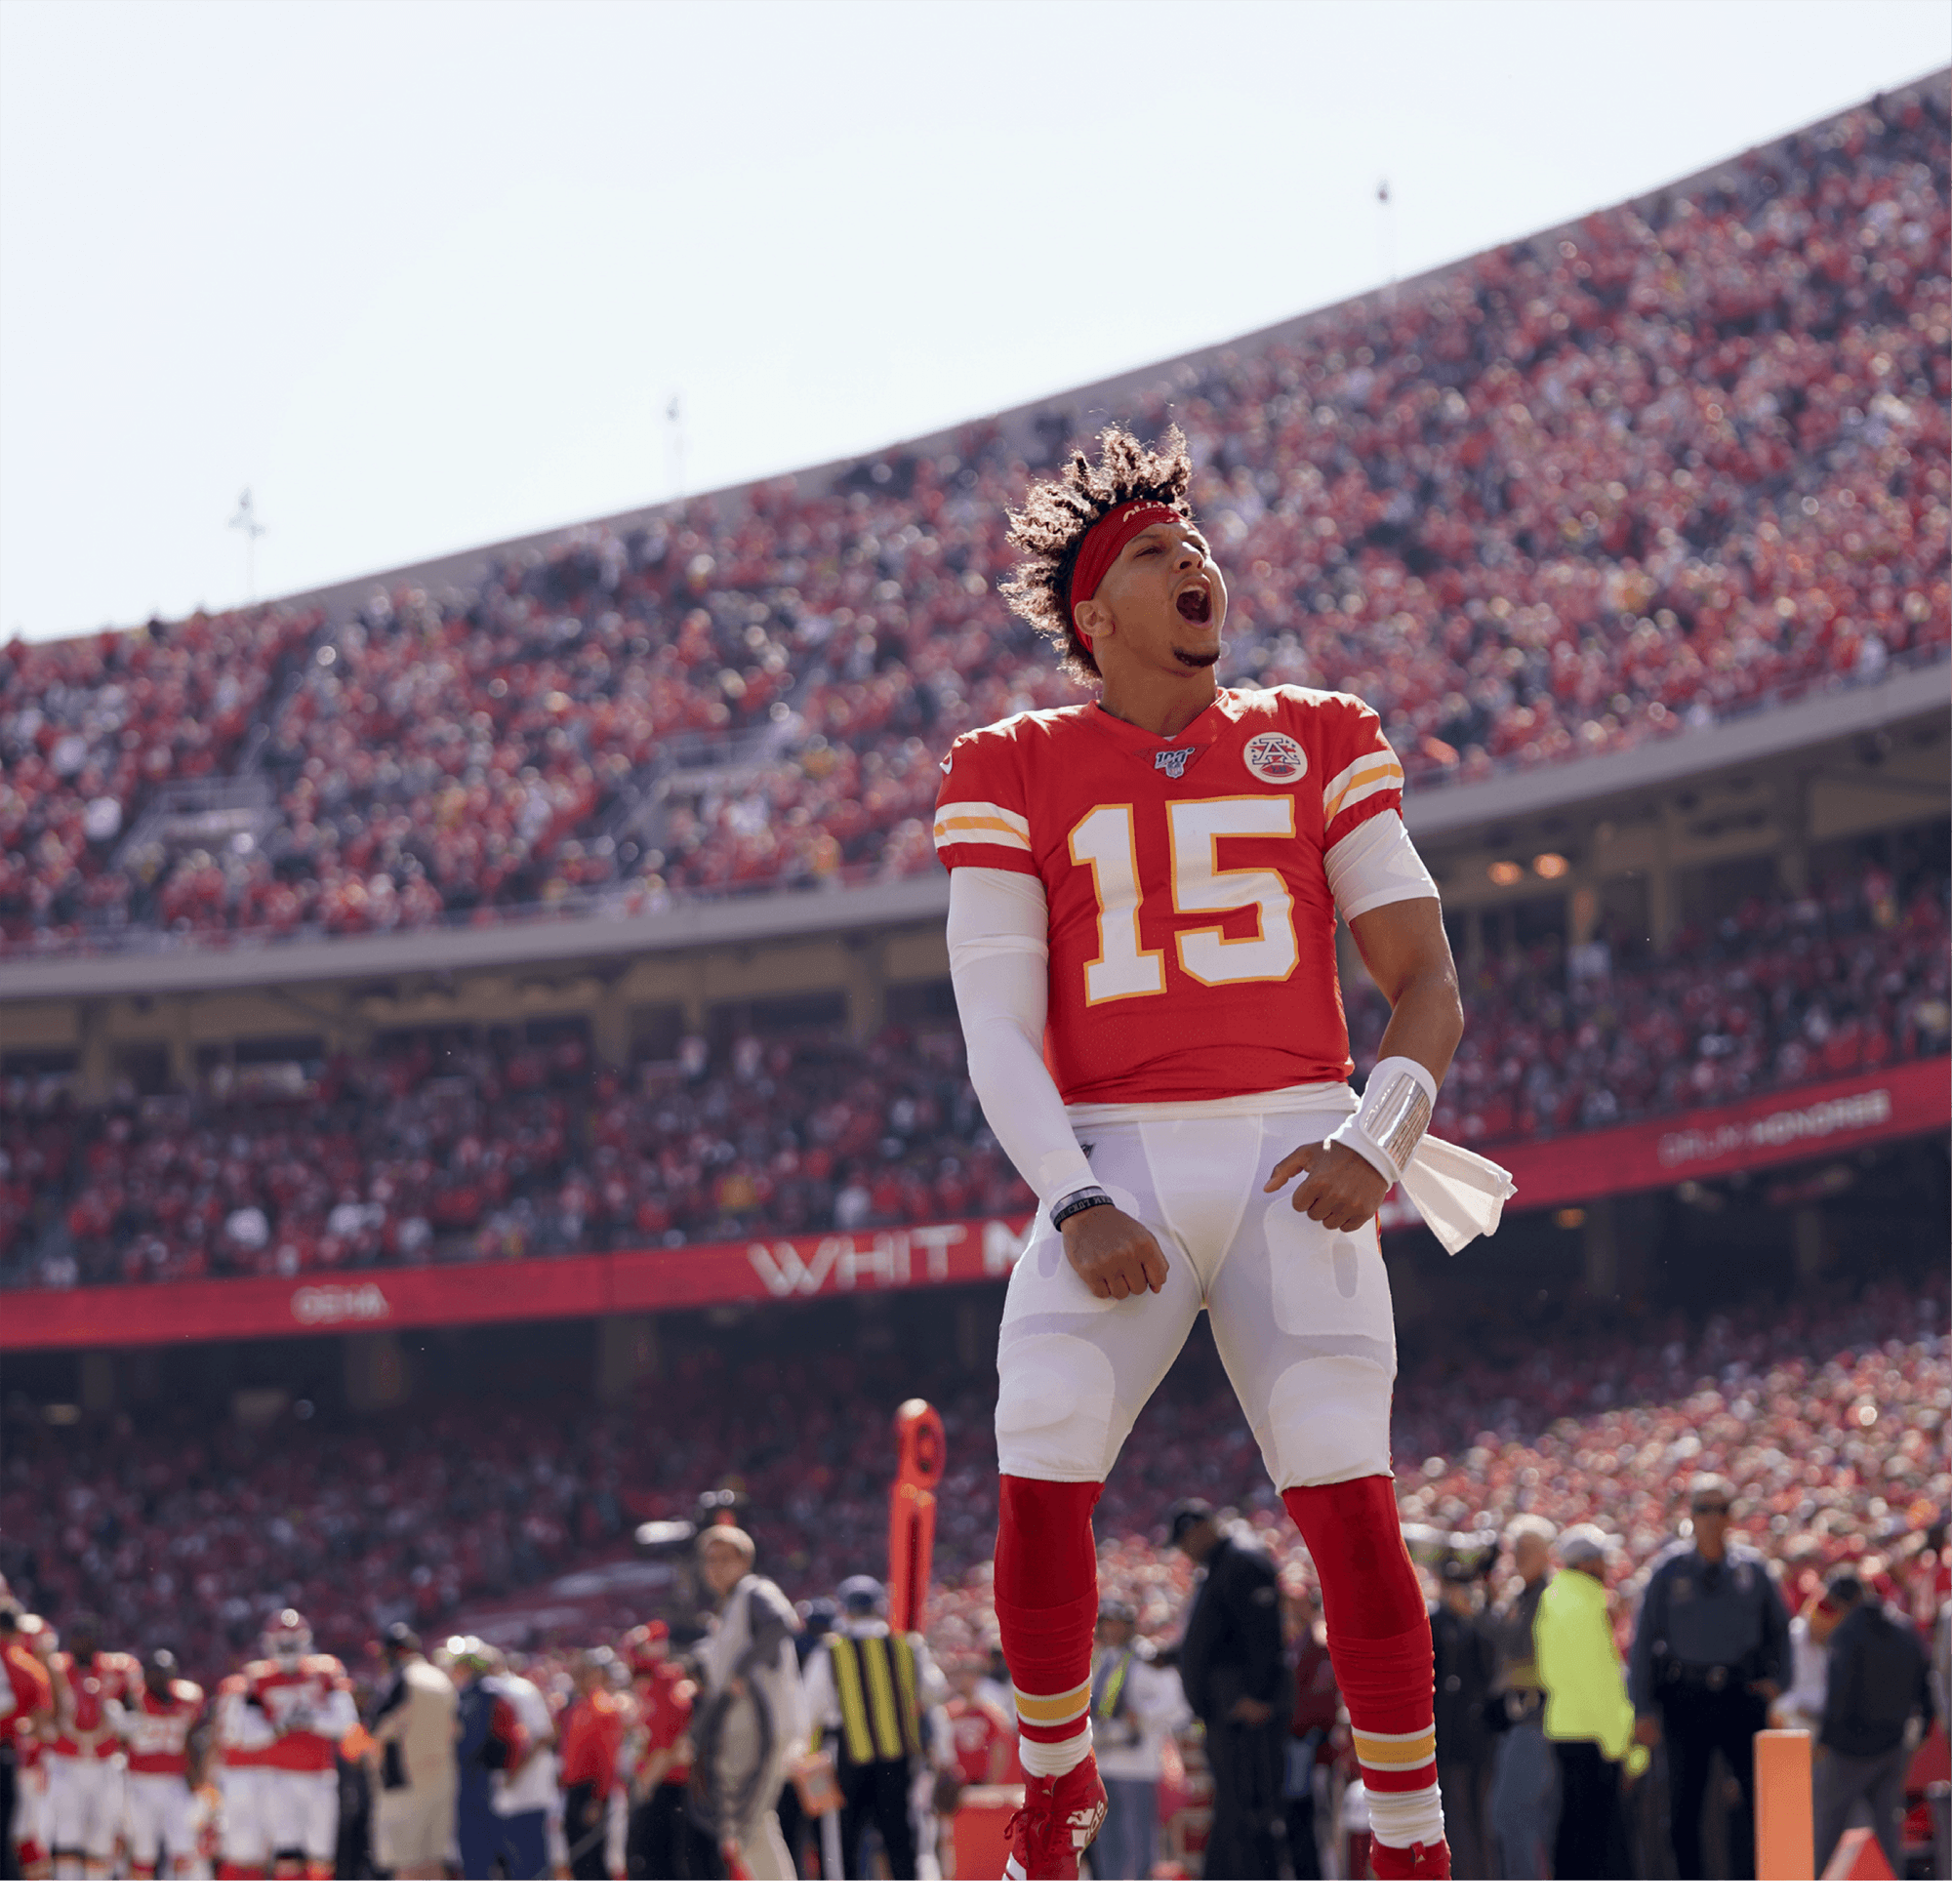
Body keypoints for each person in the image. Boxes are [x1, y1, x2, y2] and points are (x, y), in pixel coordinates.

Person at [933, 426, 1509, 1881]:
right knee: (1041, 1435)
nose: (1192, 560)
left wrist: (1378, 1139)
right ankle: (1054, 1794)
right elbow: (997, 1025)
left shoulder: (1318, 729)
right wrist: (1069, 1192)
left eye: (1194, 542)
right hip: (1112, 1147)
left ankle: (1412, 1846)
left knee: (1344, 1482)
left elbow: (1426, 978)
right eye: (1149, 553)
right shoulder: (1011, 762)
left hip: (1295, 1141)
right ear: (1092, 615)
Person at [1628, 1475, 1791, 1882]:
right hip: (1687, 1697)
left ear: (1731, 1515)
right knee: (1684, 1807)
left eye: (1720, 1508)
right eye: (1703, 1508)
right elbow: (1643, 1641)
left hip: (1742, 1695)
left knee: (1755, 1804)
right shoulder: (1667, 1571)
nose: (1712, 1518)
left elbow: (1781, 1632)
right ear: (1691, 1515)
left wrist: (1779, 1683)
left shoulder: (1753, 1570)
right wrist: (1643, 1708)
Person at [1171, 1502, 1291, 1880]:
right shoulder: (1219, 1565)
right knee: (1233, 1808)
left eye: (1184, 1539)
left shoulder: (1243, 1560)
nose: (1183, 1550)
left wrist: (1258, 1694)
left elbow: (1265, 1637)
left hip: (1246, 1713)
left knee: (1251, 1807)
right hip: (1227, 1711)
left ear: (1201, 1528)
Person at [691, 1524, 807, 1882]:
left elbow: (782, 1624)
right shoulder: (727, 1610)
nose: (716, 1567)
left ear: (745, 1560)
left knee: (747, 1825)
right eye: (710, 1560)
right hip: (743, 1731)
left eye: (726, 1558)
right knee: (750, 1827)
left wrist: (742, 1671)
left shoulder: (755, 1590)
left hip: (764, 1727)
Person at [802, 1571, 935, 1881]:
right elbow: (932, 1692)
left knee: (843, 1842)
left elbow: (811, 1709)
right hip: (898, 1757)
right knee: (899, 1839)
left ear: (845, 1609)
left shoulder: (831, 1650)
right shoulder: (908, 1646)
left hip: (847, 1756)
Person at [1534, 1525, 1645, 1881]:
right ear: (1585, 1563)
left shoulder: (1555, 1597)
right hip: (1595, 1736)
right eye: (1601, 1558)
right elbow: (1600, 1681)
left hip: (1566, 1727)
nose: (1608, 1565)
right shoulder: (1585, 1604)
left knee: (1571, 1834)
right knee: (1600, 1843)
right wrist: (1624, 1748)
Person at [1812, 1567, 1936, 1877]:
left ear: (1843, 1602)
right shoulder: (1905, 1627)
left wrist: (1825, 1741)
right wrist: (1922, 1730)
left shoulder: (1847, 1633)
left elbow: (1839, 1697)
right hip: (1893, 1744)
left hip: (1850, 1751)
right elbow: (1927, 1684)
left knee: (1827, 1828)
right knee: (1887, 1831)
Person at [1087, 1599, 1189, 1882]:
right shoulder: (1100, 1658)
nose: (1112, 1630)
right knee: (1105, 1845)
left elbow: (1177, 1704)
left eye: (1118, 1623)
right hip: (1103, 1764)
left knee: (1138, 1843)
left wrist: (1142, 1716)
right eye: (1107, 1624)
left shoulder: (1148, 1658)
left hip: (1137, 1764)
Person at [1484, 1515, 1558, 1880]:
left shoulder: (1549, 1596)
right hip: (1522, 1720)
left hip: (1538, 1718)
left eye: (1527, 1549)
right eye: (1515, 1549)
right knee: (1521, 1818)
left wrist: (1483, 1612)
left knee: (1514, 1814)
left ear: (1547, 1552)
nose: (1518, 1556)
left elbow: (1519, 1649)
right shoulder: (1520, 1594)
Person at [46, 1613, 136, 1882]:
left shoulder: (117, 1668)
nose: (81, 1643)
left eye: (87, 1636)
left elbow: (134, 1715)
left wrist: (120, 1720)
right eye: (78, 1636)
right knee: (67, 1831)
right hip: (65, 1761)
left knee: (101, 1833)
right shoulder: (55, 1668)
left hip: (104, 1763)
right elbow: (44, 1711)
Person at [368, 1622, 458, 1882]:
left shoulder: (401, 1679)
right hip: (442, 1780)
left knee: (406, 1864)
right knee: (433, 1862)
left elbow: (376, 1728)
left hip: (404, 1783)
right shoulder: (441, 1679)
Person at [1430, 1555, 1496, 1881]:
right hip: (1444, 1738)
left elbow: (1488, 1673)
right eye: (1455, 1586)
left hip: (1476, 1740)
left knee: (1478, 1819)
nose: (1461, 1592)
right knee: (1453, 1818)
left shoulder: (1475, 1624)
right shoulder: (1433, 1622)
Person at [120, 1648, 206, 1881]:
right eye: (156, 1672)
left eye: (166, 1672)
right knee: (142, 1850)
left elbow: (192, 1739)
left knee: (183, 1846)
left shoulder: (188, 1698)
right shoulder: (133, 1698)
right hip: (139, 1782)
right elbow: (120, 1741)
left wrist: (197, 1780)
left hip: (174, 1782)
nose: (161, 1677)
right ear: (146, 1675)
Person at [450, 1636, 528, 1881]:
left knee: (479, 1854)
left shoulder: (479, 1694)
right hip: (489, 1780)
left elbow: (469, 1744)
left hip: (477, 1781)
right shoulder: (491, 1691)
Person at [483, 1651, 557, 1883]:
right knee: (512, 1864)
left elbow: (544, 1736)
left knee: (532, 1862)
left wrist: (515, 1772)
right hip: (507, 1795)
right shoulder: (492, 1691)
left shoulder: (520, 1689)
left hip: (528, 1792)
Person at [1285, 1582, 1337, 1882]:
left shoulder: (1319, 1641)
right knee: (1297, 1818)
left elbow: (1317, 1700)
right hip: (1296, 1741)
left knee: (1314, 1820)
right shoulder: (1295, 1640)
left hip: (1312, 1744)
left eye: (1296, 1601)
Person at [559, 1647, 626, 1882]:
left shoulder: (603, 1707)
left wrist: (598, 1799)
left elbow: (608, 1760)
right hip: (575, 1789)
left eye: (582, 1673)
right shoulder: (579, 1705)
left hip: (590, 1791)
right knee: (577, 1859)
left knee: (591, 1860)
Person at [0, 1604, 54, 1884]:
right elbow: (43, 1722)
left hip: (17, 1760)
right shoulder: (29, 1667)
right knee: (24, 1835)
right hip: (18, 1760)